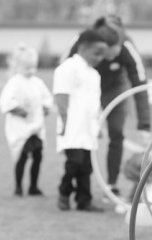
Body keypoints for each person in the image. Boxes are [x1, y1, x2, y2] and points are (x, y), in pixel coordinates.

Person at [64, 15, 151, 197]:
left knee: (116, 132)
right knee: (82, 133)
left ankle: (111, 184)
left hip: (116, 90)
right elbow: (64, 70)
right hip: (86, 89)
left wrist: (144, 125)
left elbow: (140, 85)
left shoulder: (127, 46)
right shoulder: (84, 39)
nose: (112, 57)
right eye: (107, 53)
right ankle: (76, 183)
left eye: (115, 53)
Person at [53, 29, 109, 212]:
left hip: (89, 129)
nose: (100, 58)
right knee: (74, 163)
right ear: (83, 48)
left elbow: (96, 102)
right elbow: (61, 97)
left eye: (103, 54)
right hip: (71, 128)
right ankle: (64, 191)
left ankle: (84, 201)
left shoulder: (95, 75)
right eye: (97, 53)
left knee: (87, 167)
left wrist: (98, 125)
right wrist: (63, 122)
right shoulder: (66, 68)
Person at [0, 44, 53, 196]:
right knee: (21, 158)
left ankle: (33, 186)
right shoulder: (14, 83)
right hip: (21, 129)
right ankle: (18, 187)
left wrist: (45, 108)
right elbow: (6, 103)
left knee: (38, 157)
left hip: (36, 129)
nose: (31, 71)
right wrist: (20, 111)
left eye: (33, 67)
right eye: (27, 68)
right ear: (18, 66)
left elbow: (46, 98)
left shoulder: (37, 82)